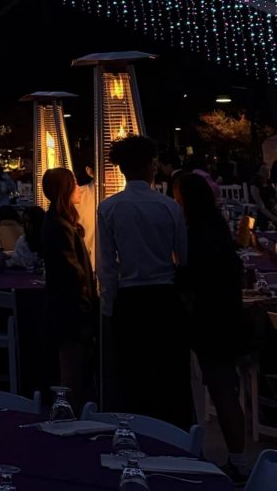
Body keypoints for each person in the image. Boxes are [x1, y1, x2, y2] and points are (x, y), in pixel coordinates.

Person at [96, 135, 192, 427]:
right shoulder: (168, 207)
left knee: (132, 376)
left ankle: (135, 434)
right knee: (170, 376)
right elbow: (183, 256)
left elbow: (106, 265)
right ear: (150, 165)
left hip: (130, 299)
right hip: (164, 297)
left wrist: (109, 305)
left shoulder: (109, 208)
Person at [174, 172, 249, 482]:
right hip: (228, 316)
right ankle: (239, 458)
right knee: (224, 389)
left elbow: (192, 280)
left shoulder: (196, 238)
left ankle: (239, 462)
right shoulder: (217, 231)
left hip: (210, 322)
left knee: (220, 389)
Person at [41, 168, 96, 408]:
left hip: (67, 305)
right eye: (74, 184)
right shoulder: (59, 225)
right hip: (70, 308)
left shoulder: (58, 221)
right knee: (72, 369)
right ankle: (67, 414)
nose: (79, 189)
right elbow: (72, 270)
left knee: (74, 368)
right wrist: (86, 300)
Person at [10, 205, 45, 270]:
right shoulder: (22, 241)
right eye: (25, 222)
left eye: (31, 222)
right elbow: (16, 261)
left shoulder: (49, 241)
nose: (27, 226)